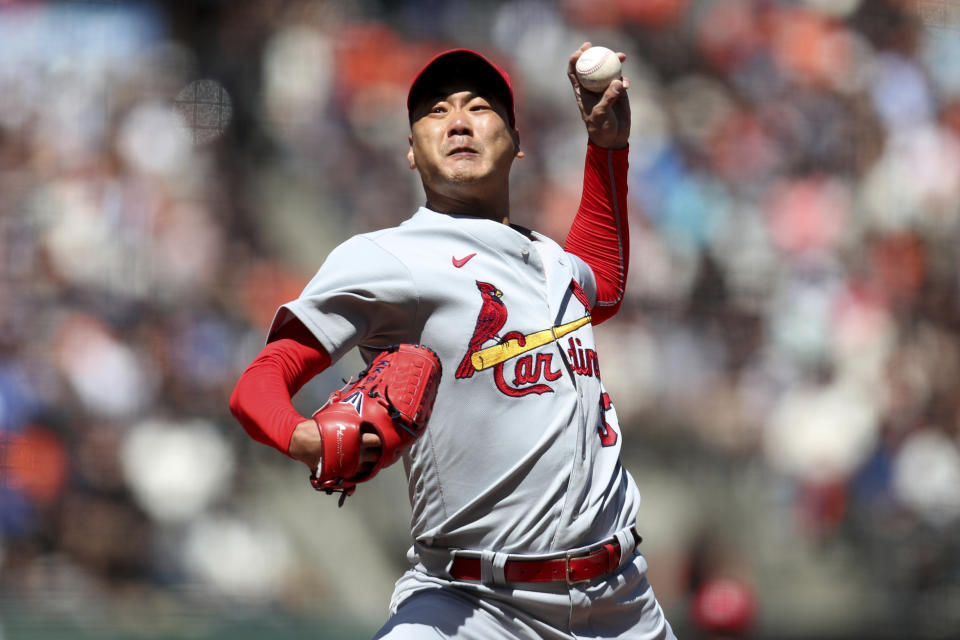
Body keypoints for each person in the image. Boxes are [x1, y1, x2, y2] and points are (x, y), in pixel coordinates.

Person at [230, 42, 675, 639]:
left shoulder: (551, 261)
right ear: (411, 152)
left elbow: (605, 286)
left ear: (517, 142)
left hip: (622, 603)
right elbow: (262, 378)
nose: (459, 121)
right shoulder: (388, 258)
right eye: (435, 111)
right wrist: (301, 435)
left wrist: (607, 149)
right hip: (472, 605)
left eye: (479, 106)